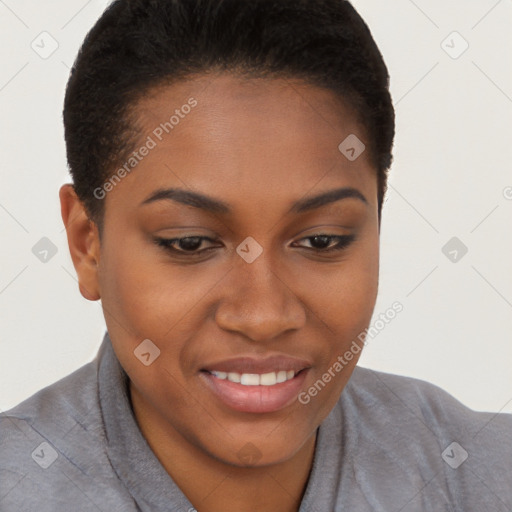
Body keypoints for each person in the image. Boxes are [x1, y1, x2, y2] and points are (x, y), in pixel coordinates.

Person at [1, 1, 510, 510]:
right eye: (190, 243)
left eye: (322, 240)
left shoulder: (481, 476)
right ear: (87, 244)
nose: (264, 316)